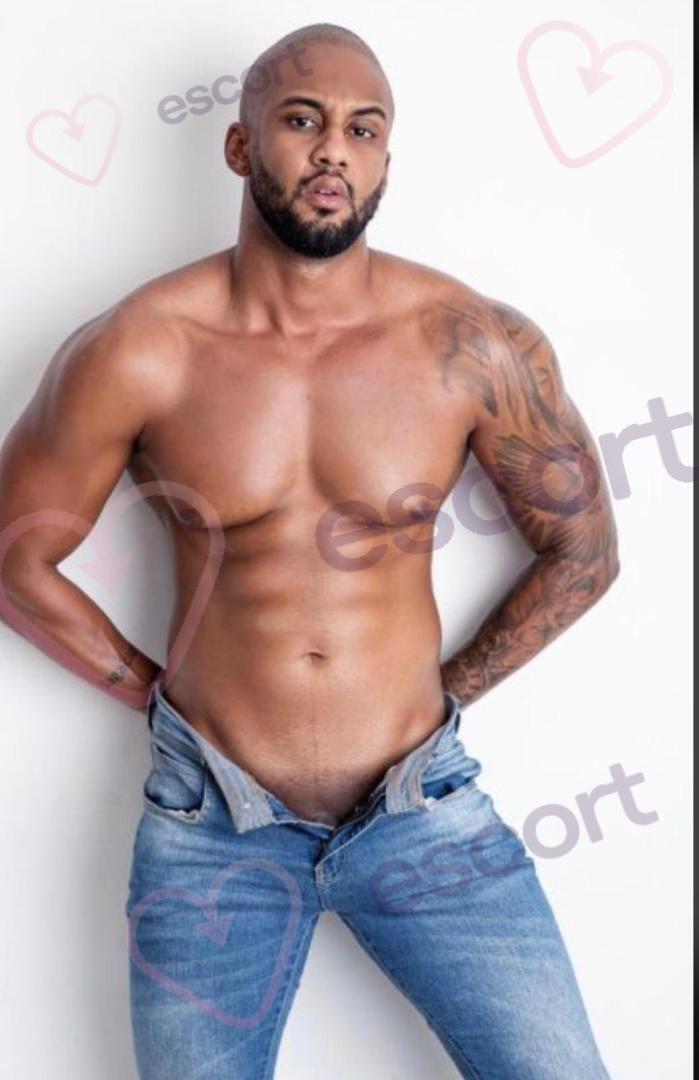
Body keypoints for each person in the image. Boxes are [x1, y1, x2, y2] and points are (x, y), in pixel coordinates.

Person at [0, 22, 619, 1080]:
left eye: (363, 130)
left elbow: (584, 553)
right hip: (213, 829)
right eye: (302, 120)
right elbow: (16, 557)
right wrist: (159, 702)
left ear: (385, 162)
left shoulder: (470, 342)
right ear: (241, 147)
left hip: (423, 810)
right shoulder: (141, 348)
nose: (334, 149)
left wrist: (441, 698)